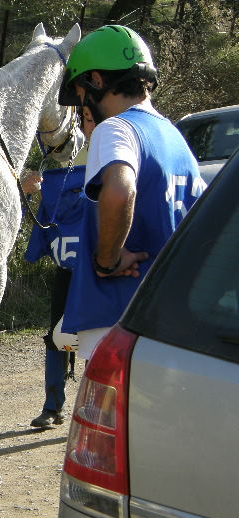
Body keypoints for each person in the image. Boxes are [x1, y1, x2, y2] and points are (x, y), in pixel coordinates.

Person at [57, 24, 205, 359]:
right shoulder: (175, 138)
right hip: (167, 316)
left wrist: (108, 259)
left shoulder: (116, 128)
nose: (82, 105)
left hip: (120, 314)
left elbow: (119, 192)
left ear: (96, 80)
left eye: (79, 94)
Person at [23, 163, 90, 428]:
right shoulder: (50, 206)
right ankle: (53, 406)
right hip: (69, 275)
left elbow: (33, 251)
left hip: (92, 276)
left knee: (94, 339)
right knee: (57, 338)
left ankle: (87, 407)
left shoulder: (94, 198)